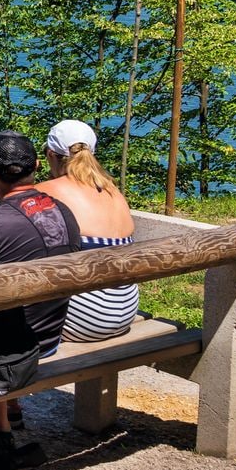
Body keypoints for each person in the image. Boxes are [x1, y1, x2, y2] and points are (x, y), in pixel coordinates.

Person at [0, 131, 82, 437]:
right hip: (51, 334)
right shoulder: (64, 211)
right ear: (38, 166)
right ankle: (9, 409)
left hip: (12, 350)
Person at [36, 119, 138, 341]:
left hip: (86, 318)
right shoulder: (112, 189)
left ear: (51, 155)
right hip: (127, 308)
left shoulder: (45, 192)